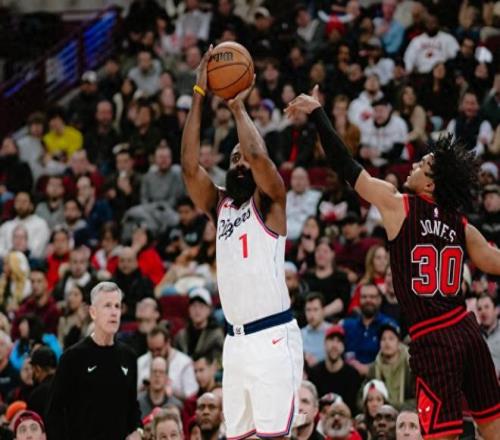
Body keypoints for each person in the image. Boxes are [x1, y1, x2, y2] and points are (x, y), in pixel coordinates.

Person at [286, 86, 500, 439]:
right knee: (492, 426)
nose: (415, 165)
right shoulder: (461, 225)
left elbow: (346, 165)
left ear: (430, 184)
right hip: (466, 329)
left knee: (441, 434)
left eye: (423, 164)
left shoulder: (398, 204)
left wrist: (318, 114)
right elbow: (495, 262)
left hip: (434, 338)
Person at [182, 46, 303, 440]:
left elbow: (256, 154)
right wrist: (199, 94)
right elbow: (189, 168)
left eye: (243, 158)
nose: (239, 163)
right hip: (234, 345)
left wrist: (236, 108)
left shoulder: (271, 200)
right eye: (233, 159)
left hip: (272, 337)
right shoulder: (219, 205)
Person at [46, 282, 142, 440]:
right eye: (107, 306)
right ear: (93, 312)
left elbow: (132, 406)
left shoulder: (129, 356)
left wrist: (138, 431)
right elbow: (54, 412)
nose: (114, 312)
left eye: (117, 306)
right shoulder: (72, 357)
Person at [308, 325, 361, 414]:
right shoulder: (314, 373)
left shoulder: (352, 375)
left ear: (343, 346)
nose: (334, 345)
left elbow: (353, 410)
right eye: (331, 340)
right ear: (325, 344)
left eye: (339, 341)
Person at [27, 346, 57, 422]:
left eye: (33, 368)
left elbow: (32, 423)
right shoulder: (68, 385)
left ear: (38, 369)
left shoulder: (37, 394)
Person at [477, 294, 500, 376]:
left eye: (487, 307)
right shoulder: (475, 334)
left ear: (496, 310)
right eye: (479, 309)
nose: (483, 312)